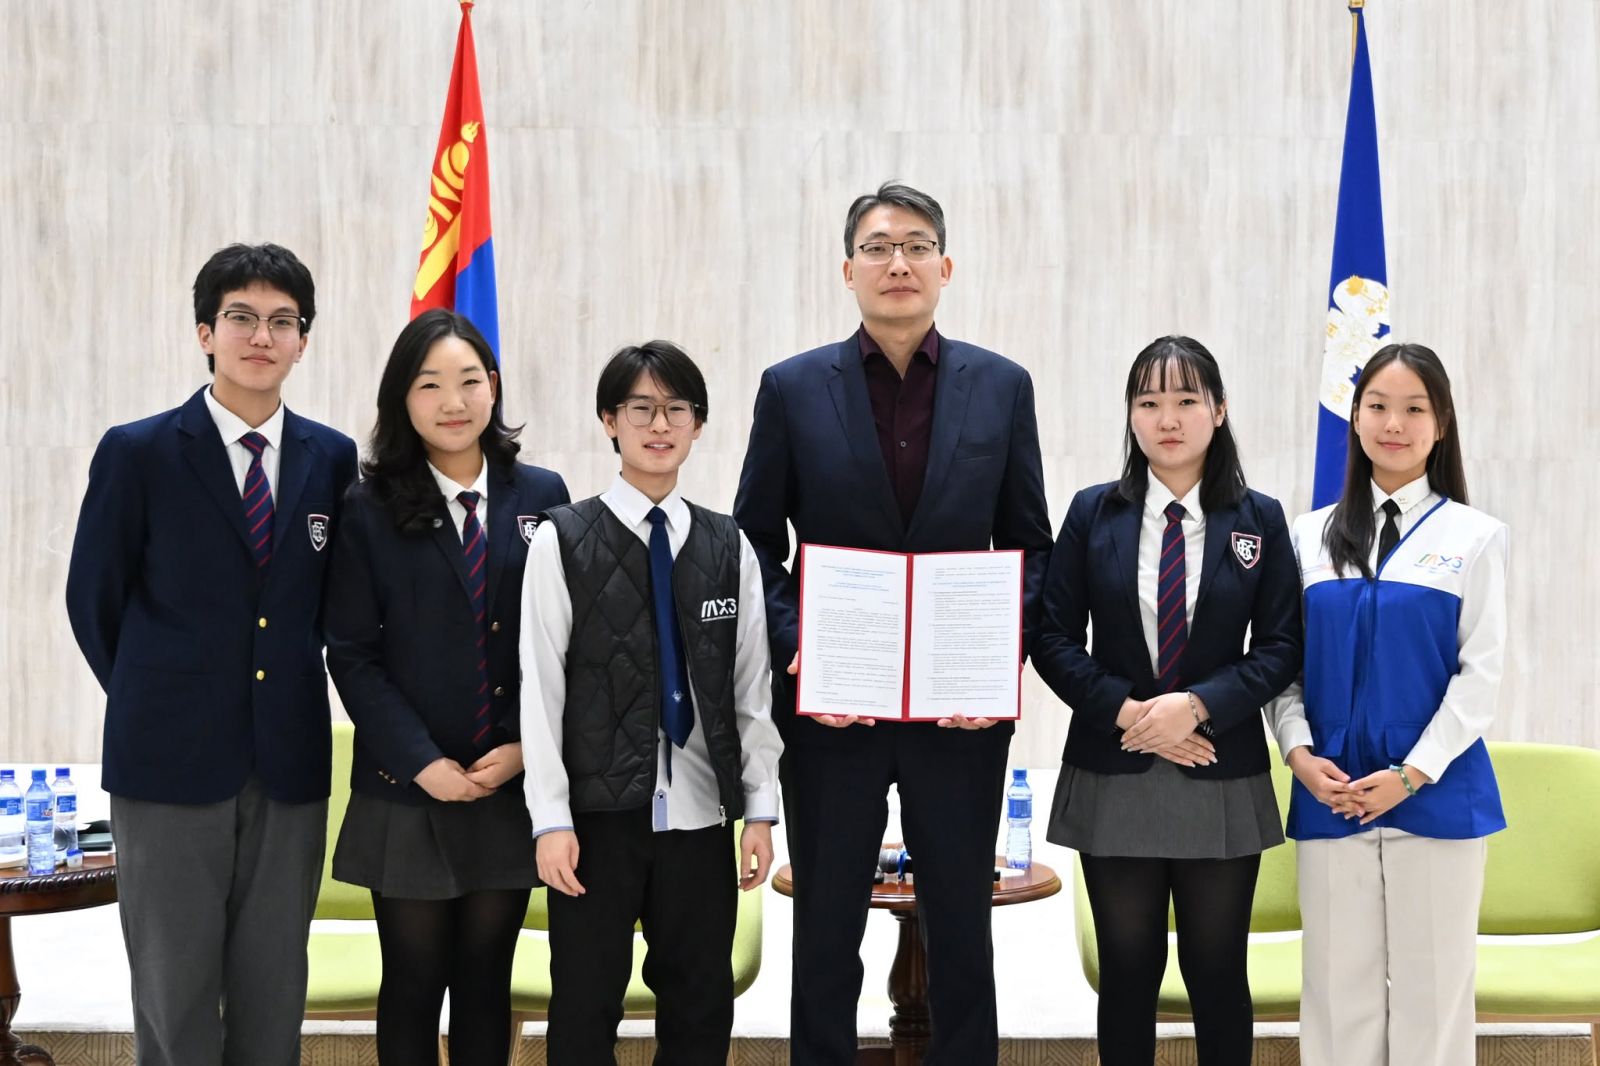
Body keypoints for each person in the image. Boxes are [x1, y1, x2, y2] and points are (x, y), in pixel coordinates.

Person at [733, 181, 1053, 1066]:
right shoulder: (792, 388)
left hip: (960, 712)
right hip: (834, 708)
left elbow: (1030, 546)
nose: (898, 263)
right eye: (878, 247)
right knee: (826, 928)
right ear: (849, 271)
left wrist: (996, 662)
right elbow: (753, 544)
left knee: (962, 927)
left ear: (946, 267)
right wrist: (801, 650)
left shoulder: (1002, 387)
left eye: (916, 246)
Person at [64, 243, 358, 1066]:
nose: (261, 336)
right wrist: (160, 695)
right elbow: (94, 601)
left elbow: (337, 607)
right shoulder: (139, 451)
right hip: (166, 763)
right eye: (241, 317)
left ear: (303, 341)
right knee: (176, 997)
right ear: (205, 332)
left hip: (288, 763)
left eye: (281, 321)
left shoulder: (332, 458)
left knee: (274, 996)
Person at [1032, 336, 1301, 1065]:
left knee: (1217, 971)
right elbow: (1052, 638)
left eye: (1186, 400)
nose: (1168, 419)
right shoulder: (1093, 513)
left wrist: (1197, 707)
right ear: (1131, 415)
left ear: (1220, 410)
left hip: (1219, 766)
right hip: (1116, 763)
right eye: (1148, 402)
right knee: (1127, 972)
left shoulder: (1259, 519)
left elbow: (1282, 646)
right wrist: (1134, 715)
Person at [520, 340, 783, 1065]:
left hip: (700, 817)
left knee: (700, 1013)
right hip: (596, 822)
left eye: (677, 408)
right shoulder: (562, 539)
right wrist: (550, 819)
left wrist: (760, 811)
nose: (659, 424)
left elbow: (751, 689)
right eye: (640, 408)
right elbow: (541, 692)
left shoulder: (729, 544)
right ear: (609, 421)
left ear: (698, 424)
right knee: (584, 1012)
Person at [321, 309, 568, 1066]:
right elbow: (353, 655)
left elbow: (566, 642)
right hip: (409, 787)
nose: (452, 402)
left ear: (493, 386)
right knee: (414, 979)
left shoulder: (542, 493)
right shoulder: (367, 506)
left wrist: (526, 749)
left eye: (468, 381)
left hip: (506, 783)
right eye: (429, 385)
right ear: (402, 398)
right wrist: (421, 762)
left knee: (487, 982)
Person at [1267, 342, 1508, 1066]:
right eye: (1377, 406)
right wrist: (1298, 755)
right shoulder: (1307, 536)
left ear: (1441, 424)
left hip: (1437, 801)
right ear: (1355, 418)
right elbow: (1283, 667)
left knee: (1434, 1006)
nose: (1393, 424)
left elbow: (1480, 678)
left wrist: (1411, 774)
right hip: (1333, 798)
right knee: (1336, 1004)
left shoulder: (1475, 538)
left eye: (1413, 408)